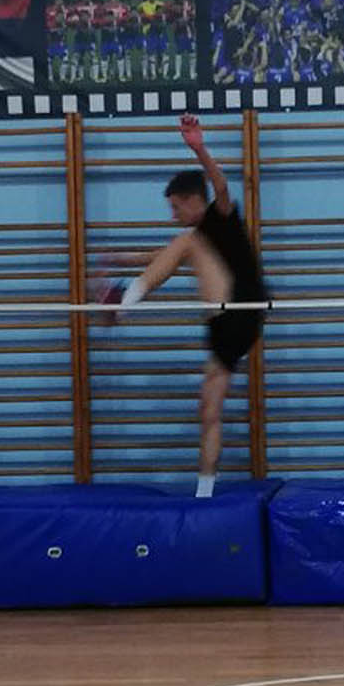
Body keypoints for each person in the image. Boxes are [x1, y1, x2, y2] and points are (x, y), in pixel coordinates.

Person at [94, 114, 269, 499]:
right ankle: (204, 493)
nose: (172, 215)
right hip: (223, 330)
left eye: (176, 207)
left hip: (239, 312)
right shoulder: (195, 240)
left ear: (193, 200)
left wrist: (198, 148)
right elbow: (161, 257)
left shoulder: (221, 217)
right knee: (208, 411)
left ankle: (123, 305)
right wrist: (117, 258)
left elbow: (220, 186)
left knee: (185, 242)